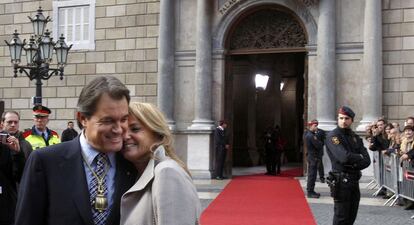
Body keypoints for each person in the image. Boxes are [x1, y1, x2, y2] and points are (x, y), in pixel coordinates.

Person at [15, 76, 137, 225]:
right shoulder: (45, 162)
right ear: (83, 118)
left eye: (123, 119)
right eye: (108, 120)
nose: (118, 129)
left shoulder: (133, 163)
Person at [120, 102, 201, 225]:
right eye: (121, 131)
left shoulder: (167, 172)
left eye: (135, 129)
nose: (125, 137)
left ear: (157, 134)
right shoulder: (138, 173)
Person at [325, 106, 371, 225]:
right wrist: (358, 157)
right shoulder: (333, 136)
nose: (343, 121)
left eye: (346, 118)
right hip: (341, 181)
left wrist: (353, 162)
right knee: (341, 217)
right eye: (341, 118)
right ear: (338, 118)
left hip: (354, 180)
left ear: (351, 120)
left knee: (351, 216)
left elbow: (367, 160)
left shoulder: (354, 137)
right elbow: (343, 157)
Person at [0, 128, 25, 225]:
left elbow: (19, 175)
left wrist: (17, 153)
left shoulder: (7, 147)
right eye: (10, 122)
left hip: (5, 209)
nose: (13, 125)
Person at [304, 120, 324, 198]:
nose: (316, 127)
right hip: (313, 157)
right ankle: (310, 192)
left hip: (312, 157)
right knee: (312, 175)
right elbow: (319, 145)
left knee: (313, 174)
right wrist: (320, 142)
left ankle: (311, 190)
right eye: (315, 126)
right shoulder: (311, 136)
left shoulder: (311, 134)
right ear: (311, 126)